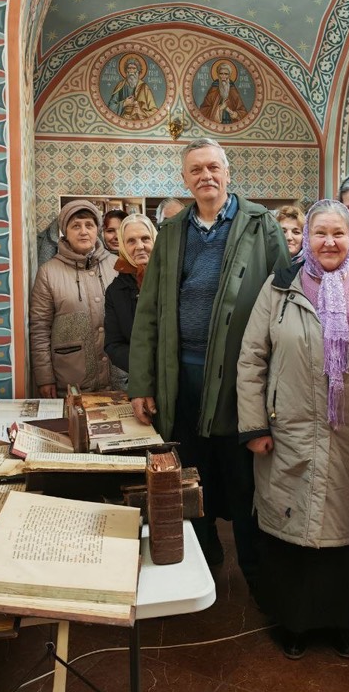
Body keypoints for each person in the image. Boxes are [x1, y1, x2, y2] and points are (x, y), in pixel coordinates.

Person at [128, 138, 289, 587]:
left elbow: (284, 300)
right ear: (185, 179)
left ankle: (256, 576)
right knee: (189, 472)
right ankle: (203, 555)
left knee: (242, 477)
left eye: (213, 167)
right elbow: (149, 311)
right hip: (181, 377)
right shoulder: (172, 231)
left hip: (241, 379)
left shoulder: (260, 224)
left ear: (228, 172)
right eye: (196, 170)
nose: (206, 176)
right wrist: (142, 383)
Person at [238, 200, 349, 660]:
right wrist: (254, 425)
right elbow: (252, 358)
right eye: (320, 233)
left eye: (338, 233)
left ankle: (340, 622)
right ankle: (293, 623)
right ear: (306, 237)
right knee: (290, 523)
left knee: (341, 531)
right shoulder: (280, 287)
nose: (329, 242)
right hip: (289, 431)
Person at [30, 199, 117, 396]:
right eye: (76, 226)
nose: (83, 231)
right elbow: (40, 329)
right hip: (71, 379)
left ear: (97, 230)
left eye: (89, 225)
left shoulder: (116, 266)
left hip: (117, 377)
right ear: (65, 232)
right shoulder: (48, 272)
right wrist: (44, 377)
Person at [104, 213, 157, 375]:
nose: (140, 246)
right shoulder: (115, 291)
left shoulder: (175, 278)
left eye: (145, 238)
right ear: (123, 247)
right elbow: (114, 344)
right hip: (142, 376)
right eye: (131, 241)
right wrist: (147, 364)